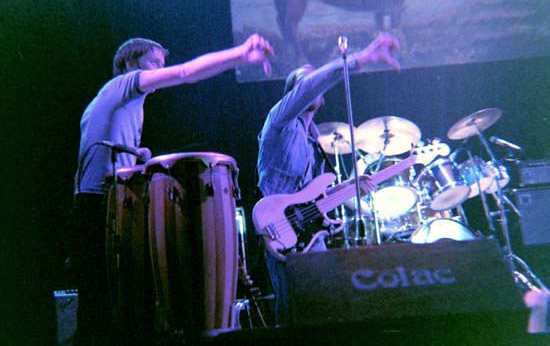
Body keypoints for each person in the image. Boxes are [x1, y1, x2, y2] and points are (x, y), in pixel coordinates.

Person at [72, 34, 273, 345]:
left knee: (106, 305)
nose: (159, 69)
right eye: (154, 62)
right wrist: (239, 54)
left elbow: (101, 153)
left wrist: (138, 156)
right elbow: (185, 72)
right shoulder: (123, 85)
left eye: (160, 64)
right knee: (104, 307)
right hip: (101, 205)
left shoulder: (112, 102)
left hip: (96, 202)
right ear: (129, 63)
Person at [256, 32, 401, 325]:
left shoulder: (313, 140)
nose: (314, 86)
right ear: (294, 94)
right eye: (307, 83)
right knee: (294, 314)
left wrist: (351, 186)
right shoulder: (279, 121)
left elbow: (312, 195)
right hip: (281, 231)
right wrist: (357, 60)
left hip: (308, 231)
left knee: (323, 310)